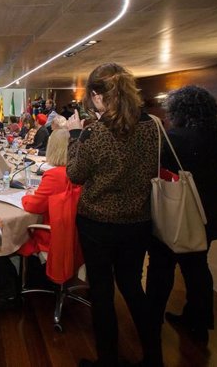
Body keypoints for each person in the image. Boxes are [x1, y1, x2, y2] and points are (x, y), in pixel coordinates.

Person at [66, 63, 162, 367]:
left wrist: (73, 137)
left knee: (103, 293)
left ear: (96, 96)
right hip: (138, 221)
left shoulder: (94, 132)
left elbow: (76, 175)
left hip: (98, 223)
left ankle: (107, 360)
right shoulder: (152, 126)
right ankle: (154, 358)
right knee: (133, 288)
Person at [146, 85, 217, 345]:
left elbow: (159, 170)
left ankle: (152, 319)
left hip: (179, 211)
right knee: (197, 268)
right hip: (208, 213)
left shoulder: (174, 138)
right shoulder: (215, 136)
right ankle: (199, 321)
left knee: (161, 266)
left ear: (179, 110)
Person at [18, 130, 71, 257]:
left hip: (53, 237)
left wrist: (27, 195)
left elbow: (33, 206)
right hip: (71, 236)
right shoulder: (76, 172)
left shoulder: (54, 175)